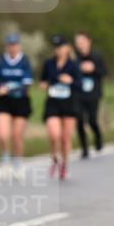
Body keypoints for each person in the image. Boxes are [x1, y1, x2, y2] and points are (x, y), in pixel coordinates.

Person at [0, 33, 33, 169]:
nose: (12, 48)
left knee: (16, 136)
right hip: (3, 102)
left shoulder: (25, 61)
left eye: (15, 45)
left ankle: (18, 161)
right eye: (10, 45)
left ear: (19, 46)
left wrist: (10, 89)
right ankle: (5, 158)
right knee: (2, 135)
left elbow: (27, 83)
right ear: (6, 46)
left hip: (21, 102)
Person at [40, 34, 79, 180]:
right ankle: (54, 157)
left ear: (67, 48)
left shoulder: (73, 65)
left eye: (61, 47)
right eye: (56, 47)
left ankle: (64, 165)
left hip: (69, 104)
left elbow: (80, 85)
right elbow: (43, 80)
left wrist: (70, 81)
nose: (58, 50)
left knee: (65, 138)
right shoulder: (49, 64)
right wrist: (43, 84)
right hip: (53, 103)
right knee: (54, 134)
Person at [73, 31, 107, 159]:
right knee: (80, 120)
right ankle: (84, 148)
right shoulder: (74, 58)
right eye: (77, 43)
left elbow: (104, 72)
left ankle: (98, 137)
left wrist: (93, 69)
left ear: (89, 41)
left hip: (93, 94)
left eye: (82, 42)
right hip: (78, 94)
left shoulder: (96, 56)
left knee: (92, 119)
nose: (80, 45)